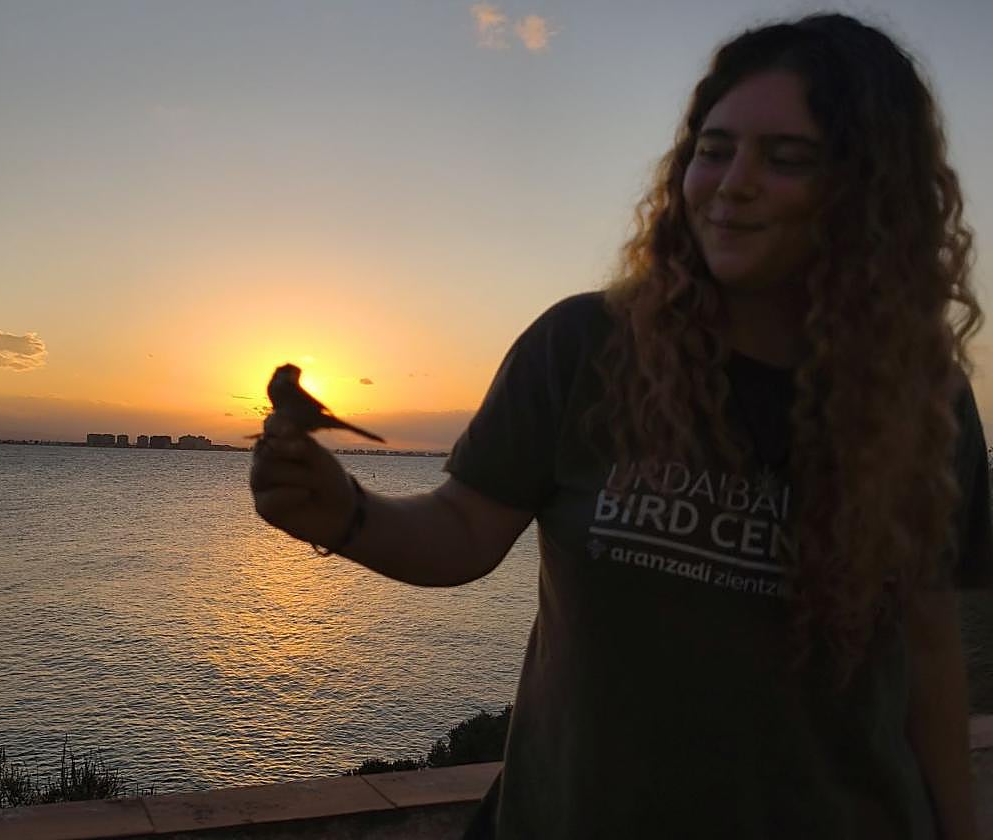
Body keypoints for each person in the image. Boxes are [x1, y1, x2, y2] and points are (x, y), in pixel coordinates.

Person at [249, 12, 991, 839]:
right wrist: (346, 515)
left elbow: (929, 652)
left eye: (786, 158)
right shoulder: (582, 348)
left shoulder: (923, 402)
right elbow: (463, 529)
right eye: (714, 150)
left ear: (866, 193)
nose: (732, 183)